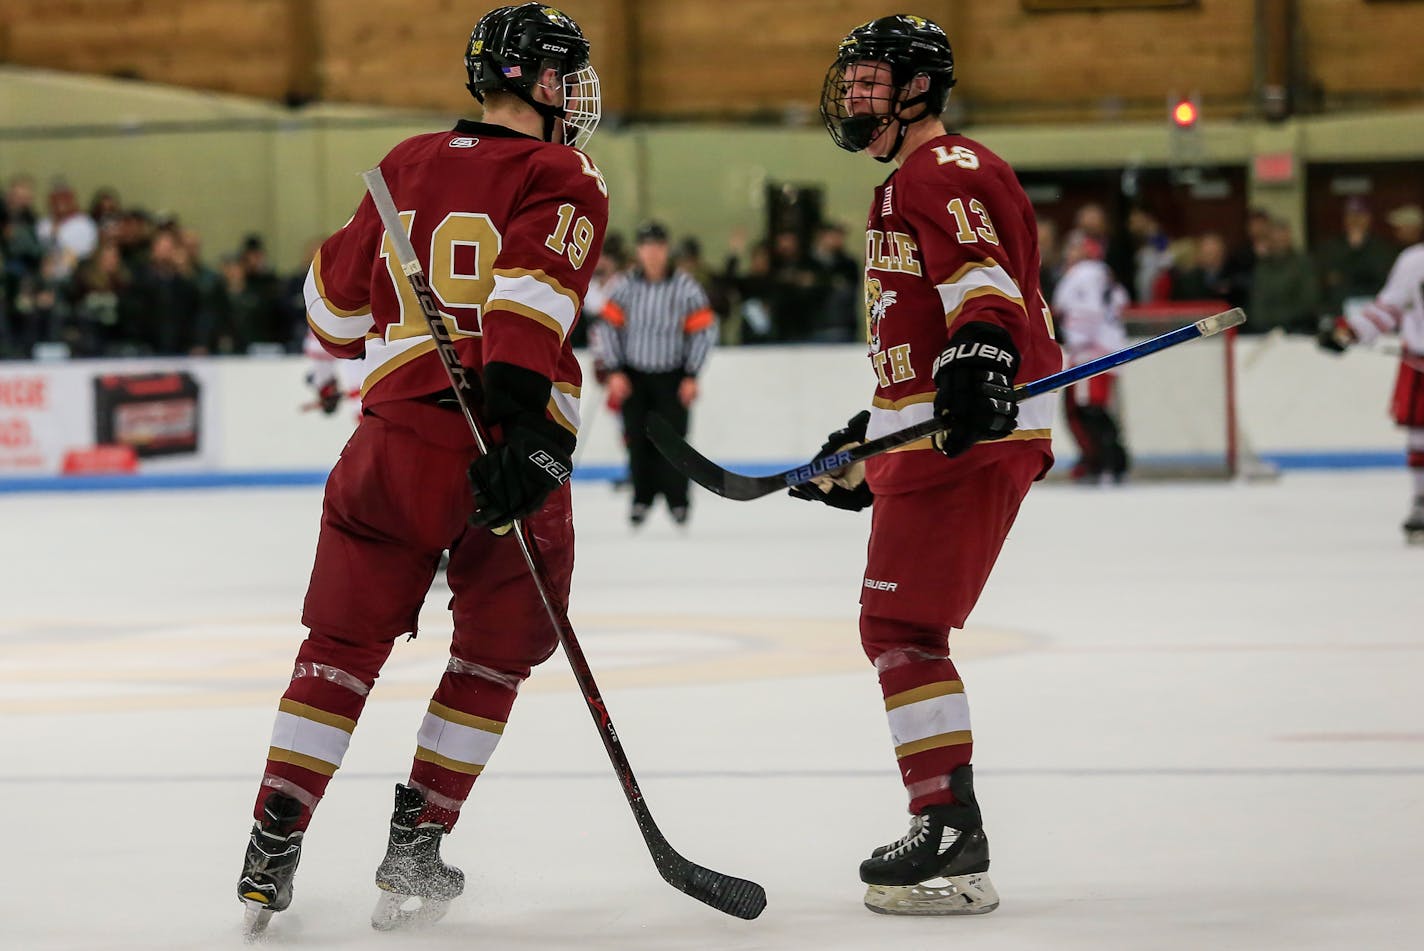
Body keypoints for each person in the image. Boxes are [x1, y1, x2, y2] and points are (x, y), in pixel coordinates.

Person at [235, 3, 606, 935]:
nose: (577, 92)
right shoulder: (562, 171)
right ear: (539, 81)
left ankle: (273, 836)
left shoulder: (403, 162)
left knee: (339, 646)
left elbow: (329, 317)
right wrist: (528, 435)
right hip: (498, 447)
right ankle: (417, 841)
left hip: (388, 445)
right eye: (567, 72)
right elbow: (526, 312)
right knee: (494, 653)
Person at [800, 13, 1059, 916]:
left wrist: (983, 359)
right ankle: (948, 819)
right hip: (935, 434)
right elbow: (919, 346)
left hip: (971, 435)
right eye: (856, 79)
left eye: (873, 79)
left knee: (901, 628)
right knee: (899, 630)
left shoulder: (943, 168)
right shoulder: (904, 182)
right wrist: (864, 443)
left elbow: (982, 284)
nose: (855, 94)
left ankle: (951, 831)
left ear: (918, 89)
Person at [594, 220, 715, 527]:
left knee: (675, 441)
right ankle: (641, 498)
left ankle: (678, 501)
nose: (652, 253)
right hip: (634, 376)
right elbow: (607, 328)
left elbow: (703, 331)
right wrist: (614, 371)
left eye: (658, 246)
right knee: (637, 438)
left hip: (673, 375)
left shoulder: (685, 287)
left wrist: (692, 374)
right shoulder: (624, 286)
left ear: (666, 249)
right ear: (639, 250)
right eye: (647, 246)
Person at [1319, 234, 1424, 543]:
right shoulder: (1414, 260)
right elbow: (1388, 308)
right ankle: (1421, 501)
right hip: (1421, 363)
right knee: (1421, 435)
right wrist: (1348, 333)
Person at [1053, 230, 1131, 483]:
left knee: (1087, 410)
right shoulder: (1104, 273)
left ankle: (1104, 463)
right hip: (1104, 349)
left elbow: (1089, 311)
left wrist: (1076, 340)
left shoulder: (1084, 273)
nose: (1070, 251)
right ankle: (1106, 461)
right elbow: (1121, 301)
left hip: (1090, 352)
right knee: (1088, 409)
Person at [1316, 197, 1398, 318]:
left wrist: (1359, 249)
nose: (1356, 220)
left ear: (1369, 219)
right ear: (1345, 219)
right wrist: (1351, 250)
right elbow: (1328, 280)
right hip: (1339, 312)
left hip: (1374, 311)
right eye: (1351, 215)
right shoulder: (1330, 247)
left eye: (1360, 215)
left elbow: (1382, 278)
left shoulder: (1382, 248)